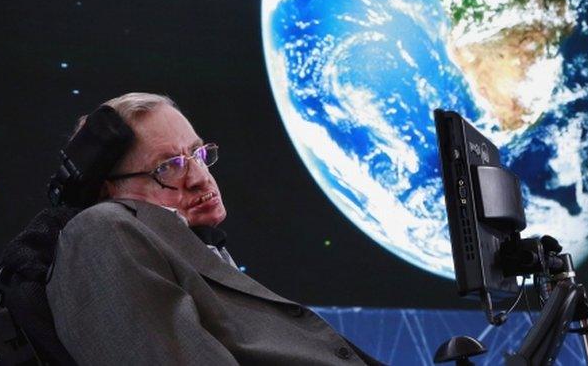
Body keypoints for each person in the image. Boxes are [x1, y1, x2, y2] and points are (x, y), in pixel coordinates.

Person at [46, 92, 381, 365]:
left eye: (198, 154)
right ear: (108, 189)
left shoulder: (193, 253)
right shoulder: (100, 231)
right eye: (170, 167)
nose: (200, 177)